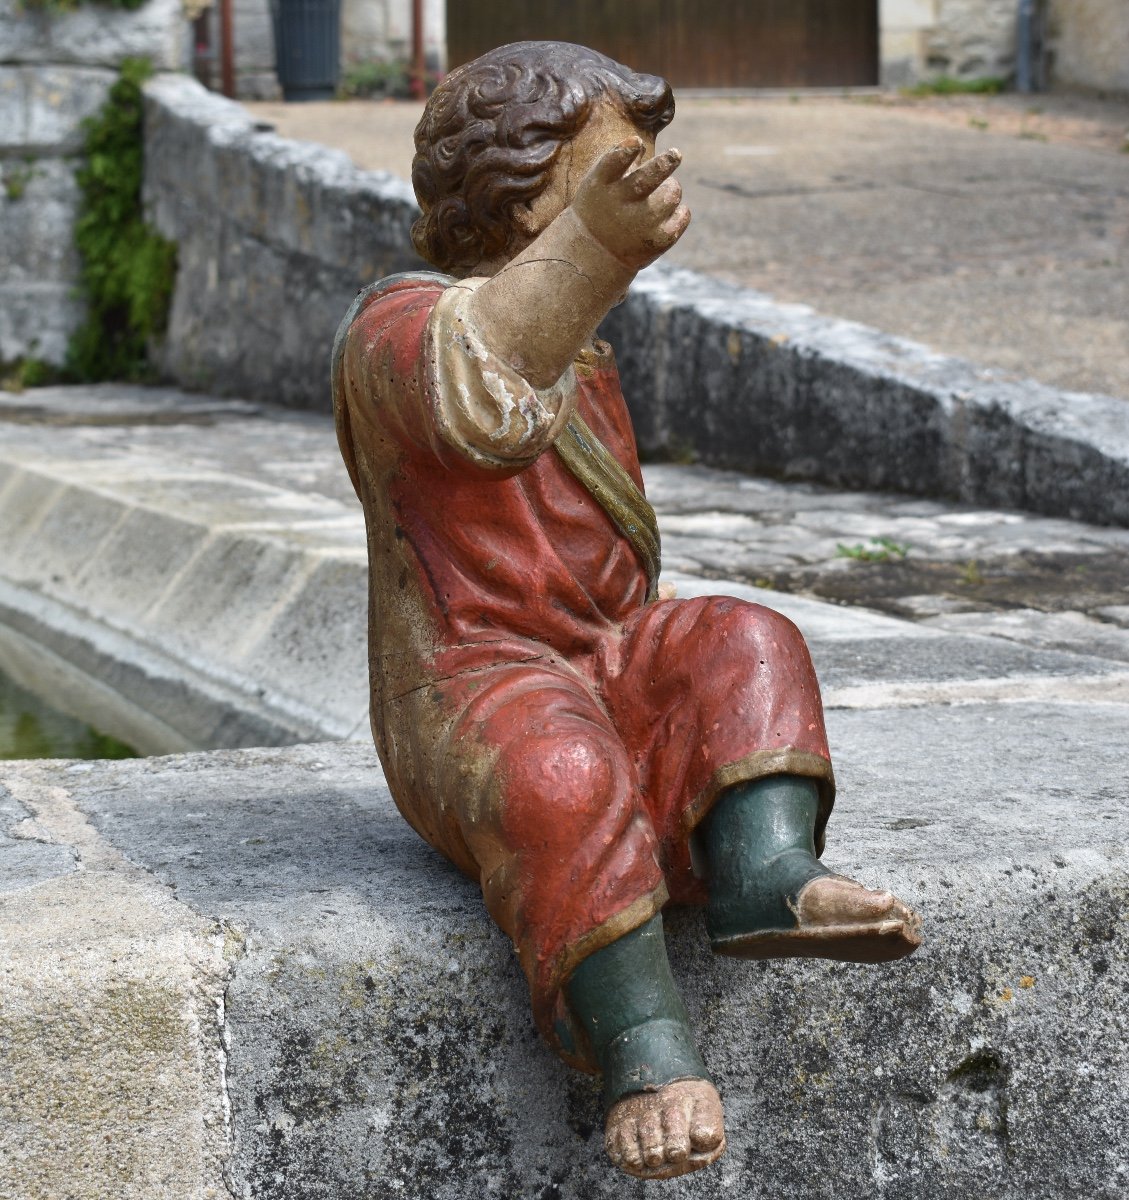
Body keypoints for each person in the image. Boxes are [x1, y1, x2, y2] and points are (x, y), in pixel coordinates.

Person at [332, 40, 922, 1180]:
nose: (647, 189)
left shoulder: (581, 351)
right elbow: (480, 409)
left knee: (744, 636)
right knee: (559, 772)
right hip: (467, 685)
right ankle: (647, 1051)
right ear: (515, 186)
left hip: (596, 661)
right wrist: (593, 247)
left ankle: (764, 869)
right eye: (610, 172)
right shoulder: (394, 328)